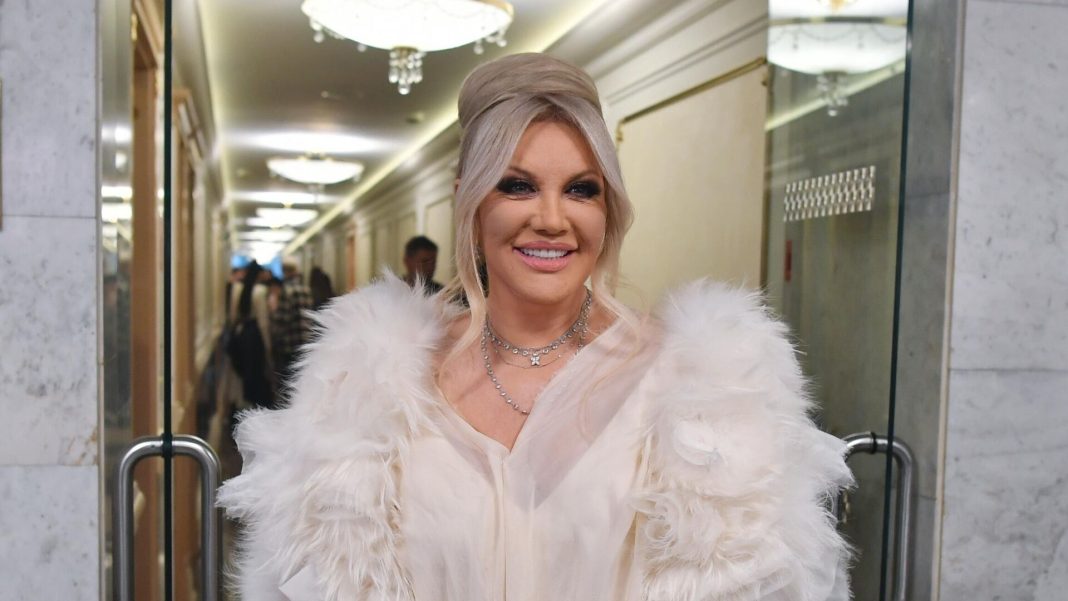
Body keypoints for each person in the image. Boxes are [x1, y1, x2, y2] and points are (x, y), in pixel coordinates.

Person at [219, 54, 852, 601]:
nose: (551, 219)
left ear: (608, 209)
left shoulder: (693, 386)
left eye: (581, 190)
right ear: (470, 202)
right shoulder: (369, 389)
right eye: (518, 185)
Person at [226, 260, 274, 410]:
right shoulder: (260, 291)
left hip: (240, 333)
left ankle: (241, 404)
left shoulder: (237, 288)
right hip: (254, 336)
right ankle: (254, 404)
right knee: (255, 371)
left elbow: (232, 316)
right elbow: (263, 321)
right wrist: (268, 347)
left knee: (241, 372)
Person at [271, 257, 315, 391]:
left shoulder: (286, 290)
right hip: (305, 339)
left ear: (285, 272)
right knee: (302, 379)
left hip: (290, 342)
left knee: (288, 381)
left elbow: (283, 319)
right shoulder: (306, 289)